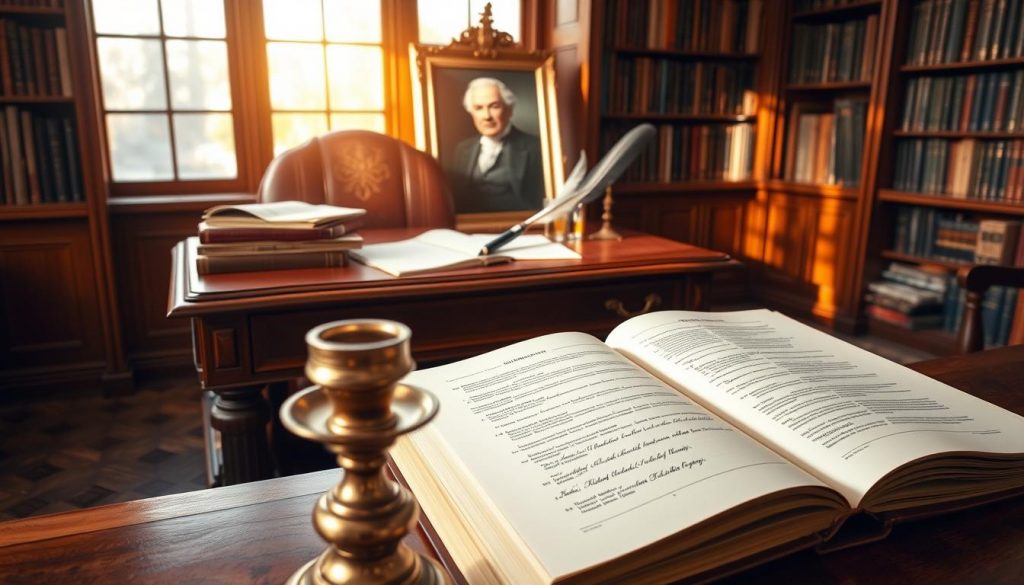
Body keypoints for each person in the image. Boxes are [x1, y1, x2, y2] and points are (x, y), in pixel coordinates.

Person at [449, 77, 545, 213]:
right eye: (478, 108)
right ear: (471, 113)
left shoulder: (535, 147)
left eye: (494, 106)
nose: (486, 116)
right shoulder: (462, 150)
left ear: (509, 110)